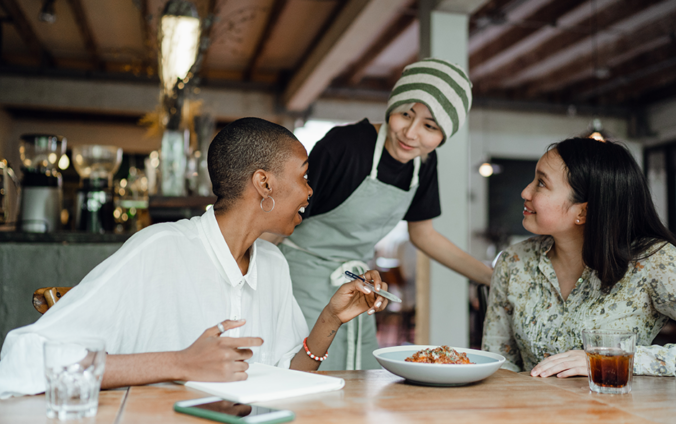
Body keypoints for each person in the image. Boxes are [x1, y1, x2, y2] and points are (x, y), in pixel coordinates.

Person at [0, 118, 389, 398]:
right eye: (303, 176)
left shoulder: (273, 264)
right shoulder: (159, 249)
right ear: (264, 183)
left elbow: (285, 378)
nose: (310, 192)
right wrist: (179, 363)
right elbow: (23, 359)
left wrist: (331, 318)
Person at [276, 58, 493, 371]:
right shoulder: (345, 145)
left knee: (359, 377)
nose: (411, 133)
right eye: (406, 114)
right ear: (393, 106)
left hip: (357, 283)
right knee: (307, 374)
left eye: (430, 126)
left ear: (443, 137)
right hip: (300, 280)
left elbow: (423, 235)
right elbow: (280, 216)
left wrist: (491, 278)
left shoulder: (424, 165)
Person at [482, 137, 676, 377]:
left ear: (583, 211)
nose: (525, 191)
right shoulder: (513, 261)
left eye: (541, 183)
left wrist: (608, 360)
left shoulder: (654, 261)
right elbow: (498, 363)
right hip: (531, 411)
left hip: (619, 412)